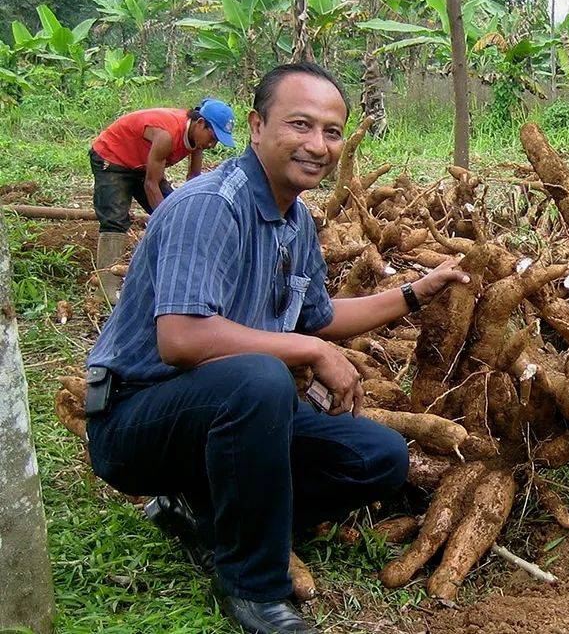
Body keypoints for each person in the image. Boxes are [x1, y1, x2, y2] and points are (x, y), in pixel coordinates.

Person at [83, 61, 469, 634]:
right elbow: (182, 339)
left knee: (379, 457)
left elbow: (322, 316)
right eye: (300, 125)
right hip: (138, 419)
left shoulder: (296, 223)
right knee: (262, 377)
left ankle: (206, 512)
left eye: (331, 132)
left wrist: (414, 293)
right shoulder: (210, 206)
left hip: (230, 413)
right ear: (258, 127)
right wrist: (308, 353)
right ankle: (253, 585)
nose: (318, 145)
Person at [89, 99, 236, 299]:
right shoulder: (166, 135)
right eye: (213, 136)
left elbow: (193, 179)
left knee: (177, 212)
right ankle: (105, 289)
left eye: (217, 140)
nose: (213, 144)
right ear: (201, 123)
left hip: (143, 165)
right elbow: (151, 184)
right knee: (115, 219)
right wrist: (164, 218)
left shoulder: (197, 140)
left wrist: (189, 212)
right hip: (112, 157)